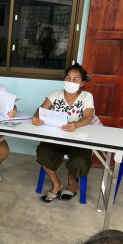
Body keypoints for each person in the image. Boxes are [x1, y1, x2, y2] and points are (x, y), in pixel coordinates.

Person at [33, 63, 94, 203]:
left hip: (79, 137)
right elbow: (41, 110)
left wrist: (76, 125)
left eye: (75, 79)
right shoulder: (55, 94)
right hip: (57, 136)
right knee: (43, 152)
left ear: (82, 83)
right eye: (68, 78)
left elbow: (88, 117)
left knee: (79, 160)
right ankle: (56, 184)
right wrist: (37, 117)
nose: (70, 82)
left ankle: (72, 181)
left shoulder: (86, 96)